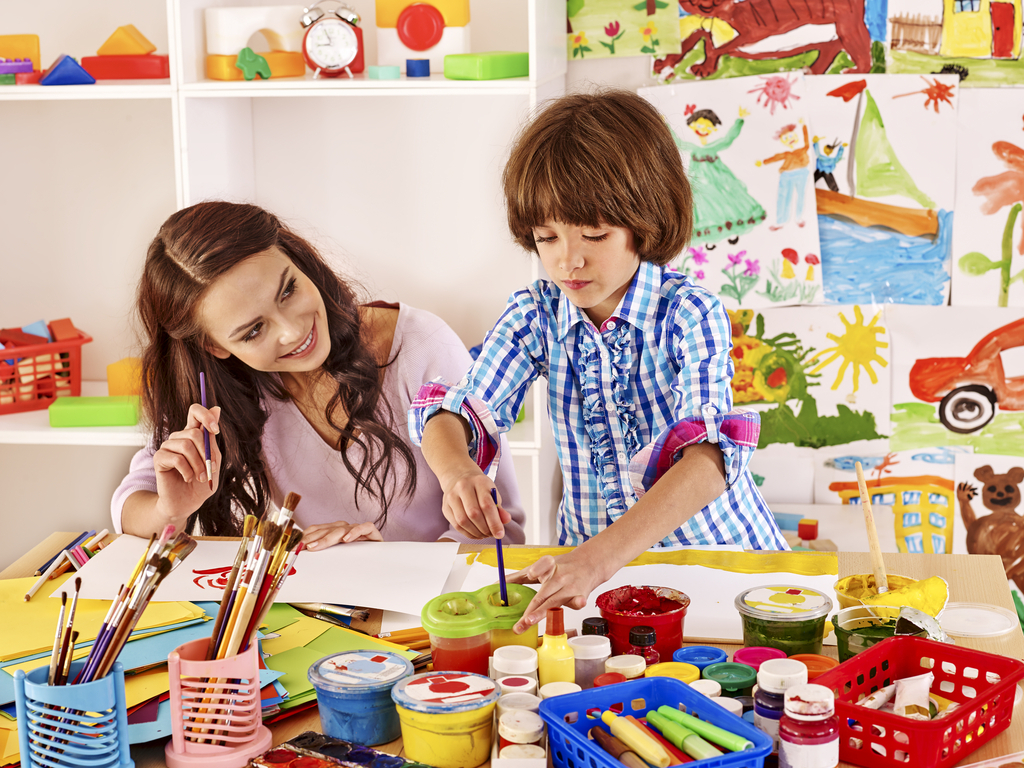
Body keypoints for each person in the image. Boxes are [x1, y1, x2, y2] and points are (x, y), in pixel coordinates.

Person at [409, 90, 786, 633]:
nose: (568, 259)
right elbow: (454, 412)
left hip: (715, 569)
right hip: (595, 581)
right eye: (547, 236)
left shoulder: (689, 312)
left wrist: (597, 557)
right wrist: (456, 469)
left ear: (646, 221)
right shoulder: (535, 315)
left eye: (594, 233)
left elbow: (709, 461)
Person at [111, 201, 525, 548]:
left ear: (297, 260)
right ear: (216, 347)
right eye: (254, 331)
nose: (293, 331)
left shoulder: (421, 346)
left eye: (288, 290)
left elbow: (502, 530)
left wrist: (386, 568)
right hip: (322, 618)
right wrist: (171, 510)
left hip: (435, 618)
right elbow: (132, 504)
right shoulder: (224, 391)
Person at [671, 106, 766, 247]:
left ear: (713, 129)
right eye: (699, 125)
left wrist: (739, 120)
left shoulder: (713, 146)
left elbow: (728, 139)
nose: (702, 129)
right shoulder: (693, 148)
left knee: (725, 204)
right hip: (700, 185)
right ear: (692, 126)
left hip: (719, 182)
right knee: (704, 207)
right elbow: (679, 143)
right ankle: (710, 237)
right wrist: (665, 124)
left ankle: (732, 229)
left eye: (707, 126)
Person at [756, 120, 811, 230]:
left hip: (801, 173)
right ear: (782, 141)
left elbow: (806, 139)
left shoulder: (803, 149)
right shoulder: (786, 153)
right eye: (785, 138)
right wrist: (763, 162)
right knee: (784, 197)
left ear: (795, 135)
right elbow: (776, 157)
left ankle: (799, 218)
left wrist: (804, 125)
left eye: (790, 136)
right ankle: (780, 221)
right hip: (786, 176)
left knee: (800, 196)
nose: (789, 139)